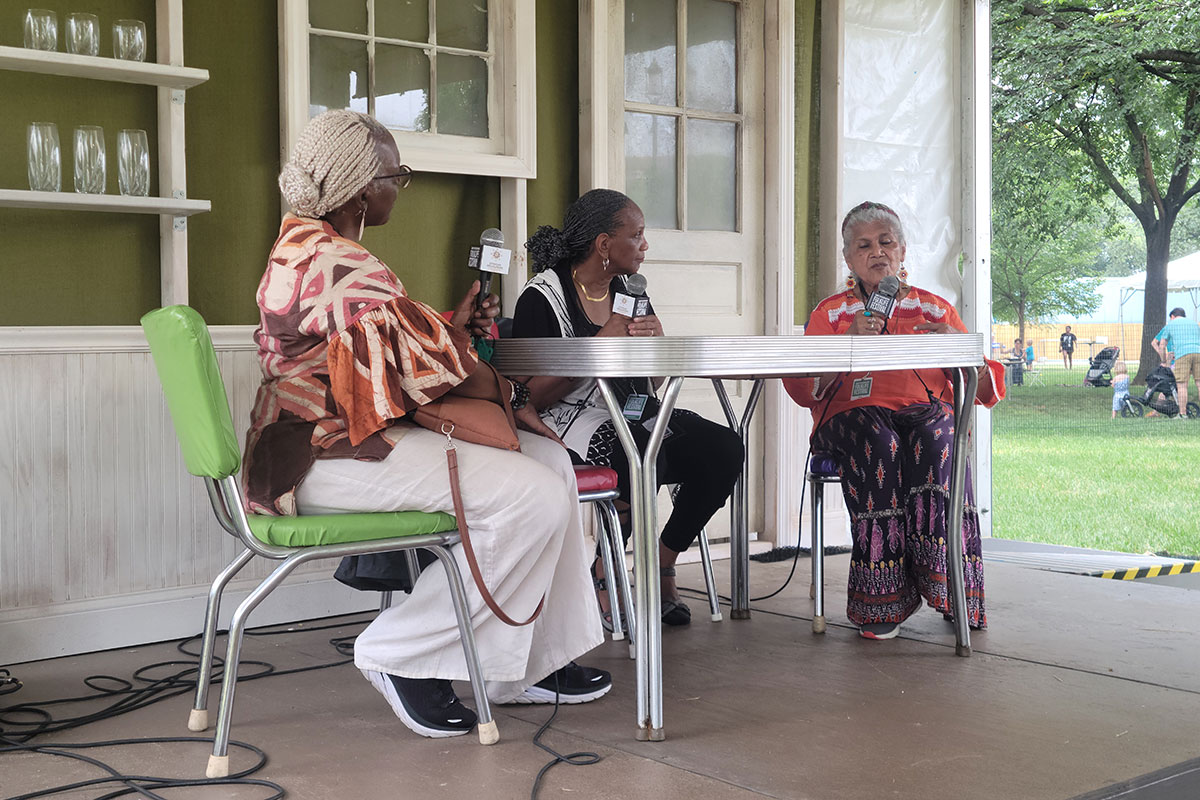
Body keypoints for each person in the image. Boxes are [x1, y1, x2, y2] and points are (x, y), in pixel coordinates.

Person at [244, 110, 610, 740]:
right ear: (362, 188)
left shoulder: (314, 249)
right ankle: (401, 654)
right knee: (537, 491)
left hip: (337, 443)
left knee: (552, 468)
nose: (400, 186)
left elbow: (378, 348)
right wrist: (497, 380)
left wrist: (444, 329)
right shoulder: (337, 263)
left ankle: (525, 661)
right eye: (398, 174)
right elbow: (416, 375)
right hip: (316, 457)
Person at [512, 188, 744, 628]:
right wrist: (599, 347)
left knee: (722, 448)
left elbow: (651, 384)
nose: (645, 245)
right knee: (640, 454)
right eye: (636, 235)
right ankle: (603, 573)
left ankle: (661, 562)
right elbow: (528, 397)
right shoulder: (543, 297)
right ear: (604, 245)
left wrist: (655, 346)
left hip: (634, 410)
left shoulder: (629, 292)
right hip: (568, 420)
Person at [783, 201, 1005, 640]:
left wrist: (958, 348)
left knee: (940, 435)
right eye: (864, 245)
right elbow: (801, 387)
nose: (877, 252)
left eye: (886, 242)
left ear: (903, 251)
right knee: (879, 440)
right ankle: (881, 598)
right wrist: (845, 345)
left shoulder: (935, 309)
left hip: (923, 413)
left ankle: (946, 581)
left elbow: (983, 389)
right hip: (851, 418)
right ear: (848, 258)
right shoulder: (830, 313)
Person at [1152, 307, 1200, 417]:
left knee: (1182, 385)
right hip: (1198, 352)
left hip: (1182, 354)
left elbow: (1162, 345)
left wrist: (1164, 360)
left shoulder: (1170, 325)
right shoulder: (1194, 324)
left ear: (1172, 316)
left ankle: (1182, 414)